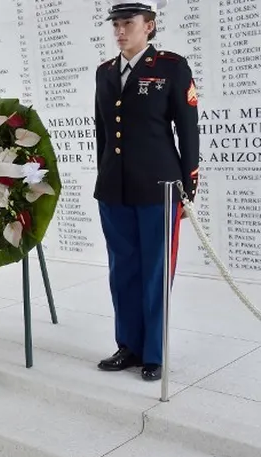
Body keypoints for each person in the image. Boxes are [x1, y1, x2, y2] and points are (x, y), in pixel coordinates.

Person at [94, 0, 200, 381]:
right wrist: (103, 176)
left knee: (156, 271)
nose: (120, 31)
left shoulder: (171, 67)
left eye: (128, 23)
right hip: (114, 189)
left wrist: (188, 187)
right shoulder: (105, 72)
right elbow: (102, 135)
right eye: (116, 24)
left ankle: (154, 353)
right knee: (122, 269)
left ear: (149, 26)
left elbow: (188, 131)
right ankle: (129, 346)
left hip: (160, 187)